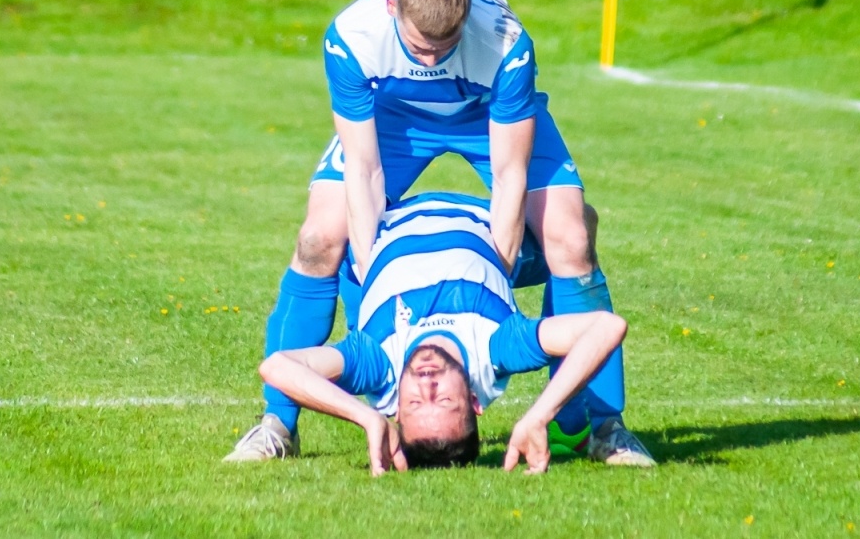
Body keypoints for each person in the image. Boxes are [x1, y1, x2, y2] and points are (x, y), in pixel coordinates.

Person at [226, 0, 652, 467]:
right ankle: (277, 425)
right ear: (392, 9)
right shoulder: (352, 37)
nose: (430, 61)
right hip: (394, 115)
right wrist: (371, 277)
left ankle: (600, 427)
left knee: (571, 237)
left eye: (444, 47)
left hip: (484, 112)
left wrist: (498, 269)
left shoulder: (506, 44)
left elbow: (511, 171)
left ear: (468, 17)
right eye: (419, 47)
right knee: (318, 240)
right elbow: (363, 169)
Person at [255, 191, 628, 474]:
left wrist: (366, 417)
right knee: (578, 229)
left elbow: (277, 366)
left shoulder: (379, 366)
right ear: (474, 399)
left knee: (316, 240)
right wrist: (540, 414)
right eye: (446, 401)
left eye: (415, 404)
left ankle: (278, 426)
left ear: (397, 407)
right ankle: (584, 426)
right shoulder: (495, 350)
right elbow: (606, 327)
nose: (427, 386)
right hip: (481, 220)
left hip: (385, 220)